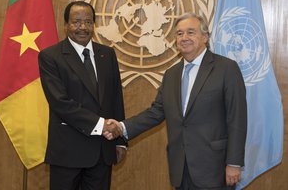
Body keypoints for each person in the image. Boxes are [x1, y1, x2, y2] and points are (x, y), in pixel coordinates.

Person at [105, 12, 247, 190]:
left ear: (205, 37)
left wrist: (234, 163)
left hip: (214, 168)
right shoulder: (171, 74)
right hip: (180, 168)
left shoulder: (226, 68)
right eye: (179, 33)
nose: (184, 38)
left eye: (190, 32)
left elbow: (237, 119)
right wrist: (121, 127)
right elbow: (156, 112)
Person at [38, 1, 126, 190]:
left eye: (88, 22)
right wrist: (102, 125)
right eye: (76, 22)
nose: (83, 27)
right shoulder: (50, 56)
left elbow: (115, 98)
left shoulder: (107, 54)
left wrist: (120, 141)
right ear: (66, 25)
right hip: (68, 152)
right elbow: (60, 103)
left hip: (103, 151)